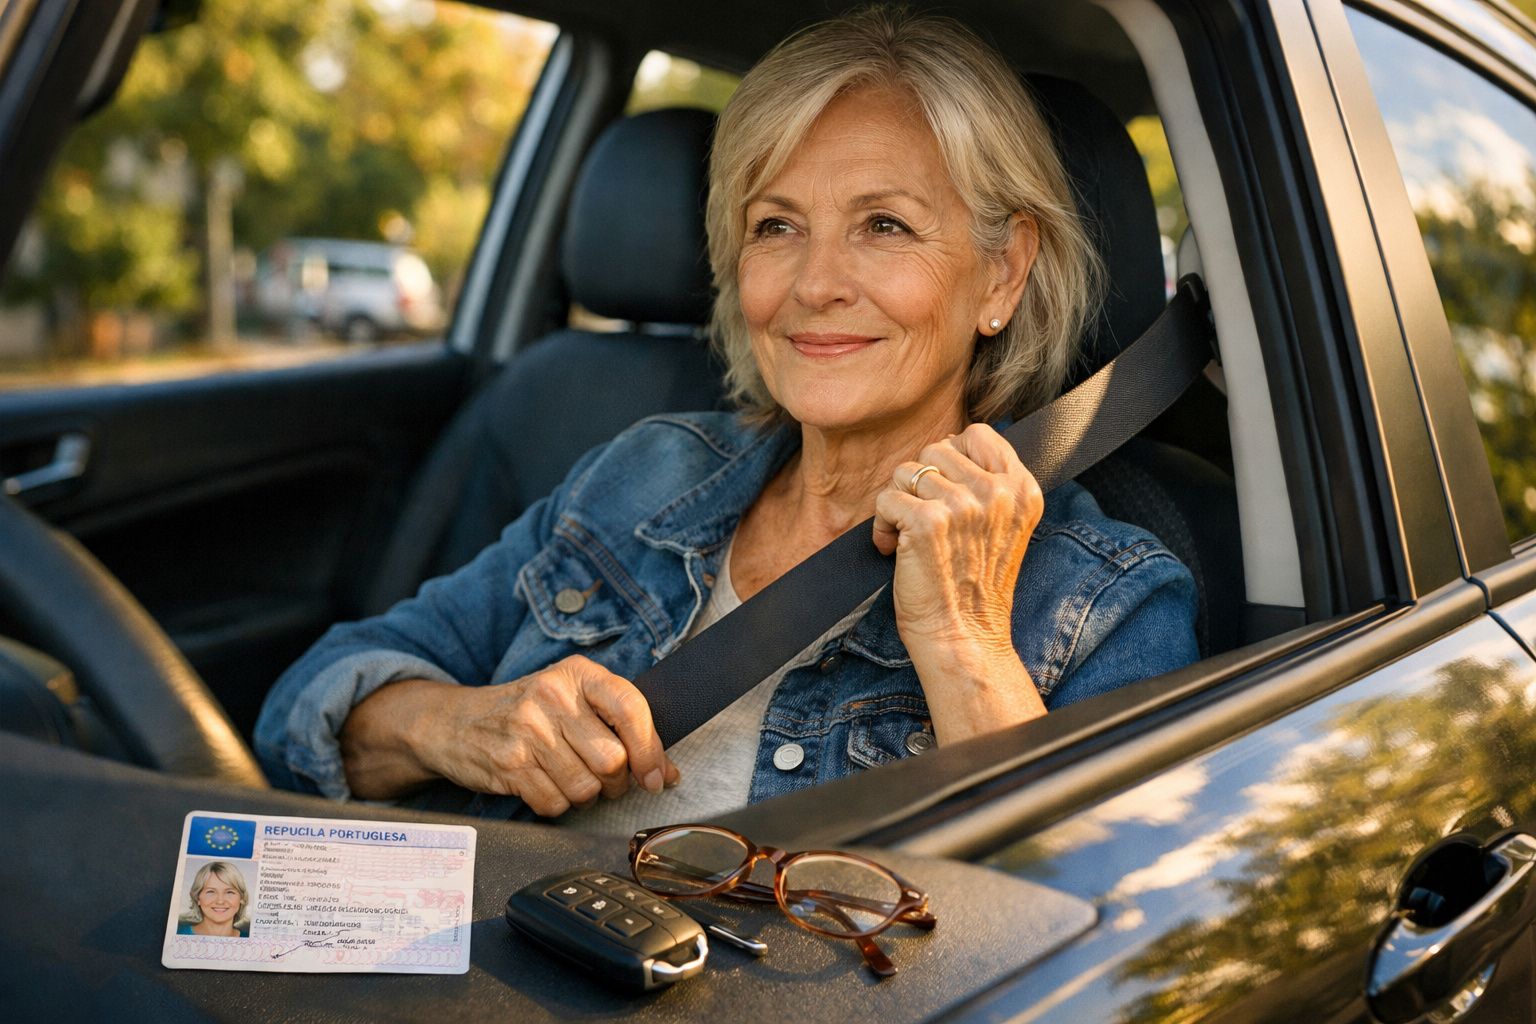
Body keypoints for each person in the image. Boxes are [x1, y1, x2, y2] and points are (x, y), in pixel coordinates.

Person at [254, 6, 1198, 831]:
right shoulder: (642, 476)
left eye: (885, 226)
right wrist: (463, 725)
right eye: (776, 226)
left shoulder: (1101, 601)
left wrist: (964, 642)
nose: (816, 284)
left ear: (1002, 272)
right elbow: (308, 702)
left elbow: (1105, 938)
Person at [177, 861, 250, 938]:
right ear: (197, 898)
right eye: (211, 892)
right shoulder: (179, 933)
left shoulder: (249, 938)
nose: (220, 901)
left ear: (241, 898)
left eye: (229, 892)